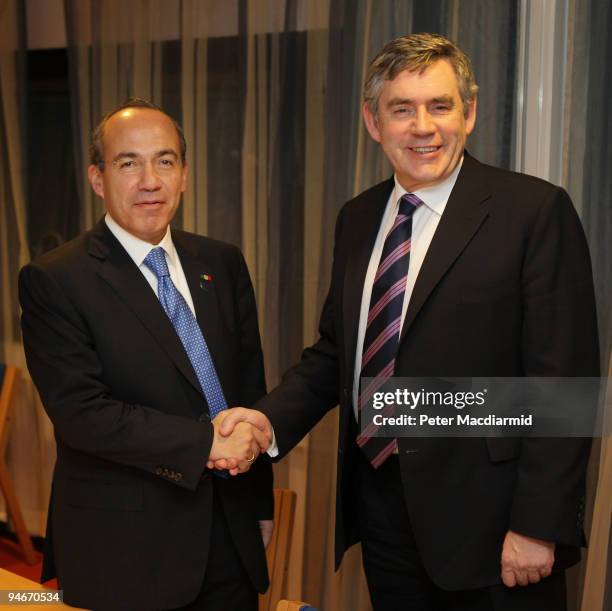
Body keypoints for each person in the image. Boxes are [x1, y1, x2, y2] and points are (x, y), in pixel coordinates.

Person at [214, 33, 600, 610]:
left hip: (495, 528)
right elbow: (337, 354)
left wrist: (538, 525)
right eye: (402, 109)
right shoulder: (359, 216)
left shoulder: (534, 213)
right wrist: (266, 423)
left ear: (468, 114)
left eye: (440, 106)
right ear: (374, 121)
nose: (423, 126)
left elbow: (564, 384)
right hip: (383, 512)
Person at [19, 98, 273, 611]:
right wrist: (207, 444)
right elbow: (82, 416)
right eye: (128, 163)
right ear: (97, 178)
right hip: (125, 550)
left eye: (165, 161)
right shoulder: (56, 279)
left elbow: (248, 389)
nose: (149, 180)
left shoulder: (221, 263)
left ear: (183, 175)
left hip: (228, 535)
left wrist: (259, 504)